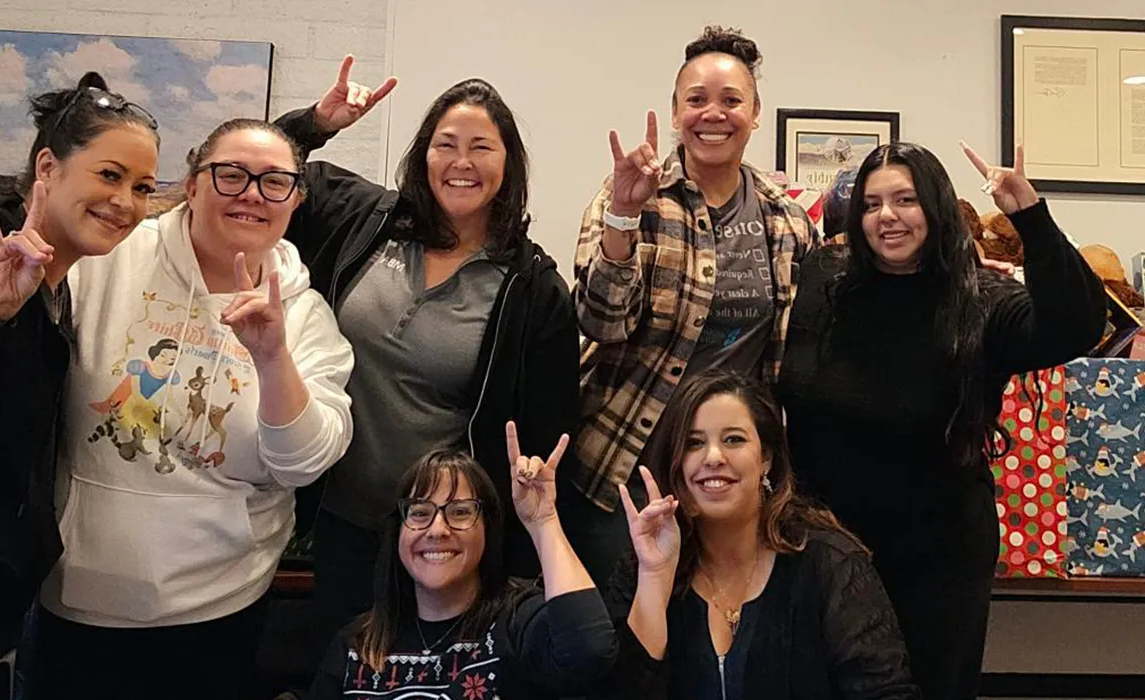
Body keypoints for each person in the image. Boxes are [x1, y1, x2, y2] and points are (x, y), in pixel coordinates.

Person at [29, 118, 354, 700]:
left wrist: (274, 357)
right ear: (194, 184)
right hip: (83, 595)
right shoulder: (111, 257)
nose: (252, 193)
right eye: (230, 175)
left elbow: (304, 462)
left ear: (295, 200)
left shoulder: (305, 316)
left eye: (275, 182)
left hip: (222, 602)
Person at [776, 141, 1107, 700]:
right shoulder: (822, 279)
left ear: (936, 207)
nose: (888, 216)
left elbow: (1075, 326)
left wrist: (1029, 214)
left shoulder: (981, 298)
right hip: (824, 546)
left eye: (905, 199)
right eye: (872, 203)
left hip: (935, 555)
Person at [274, 57, 580, 654]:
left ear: (508, 165)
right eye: (446, 144)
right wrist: (315, 123)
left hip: (443, 544)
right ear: (424, 154)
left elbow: (543, 434)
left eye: (481, 148)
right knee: (340, 674)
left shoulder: (533, 288)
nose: (461, 162)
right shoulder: (363, 219)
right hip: (338, 522)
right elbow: (259, 168)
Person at [0, 71, 159, 696]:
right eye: (109, 175)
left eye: (143, 187)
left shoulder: (54, 285)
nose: (125, 201)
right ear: (48, 166)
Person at [566, 25, 819, 584]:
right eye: (697, 100)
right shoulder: (630, 194)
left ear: (754, 115)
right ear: (676, 111)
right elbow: (599, 322)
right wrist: (622, 222)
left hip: (728, 477)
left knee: (710, 634)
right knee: (621, 639)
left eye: (731, 101)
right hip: (625, 465)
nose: (714, 114)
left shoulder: (788, 219)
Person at [594, 368, 919, 699]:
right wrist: (655, 579)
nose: (713, 457)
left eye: (733, 439)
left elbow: (886, 693)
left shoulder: (829, 564)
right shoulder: (646, 563)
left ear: (766, 457)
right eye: (694, 443)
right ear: (676, 463)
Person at [308, 423, 616, 699]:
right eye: (419, 513)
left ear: (487, 529)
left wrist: (543, 521)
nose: (438, 530)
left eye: (460, 512)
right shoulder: (356, 644)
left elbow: (590, 651)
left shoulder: (517, 622)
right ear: (398, 533)